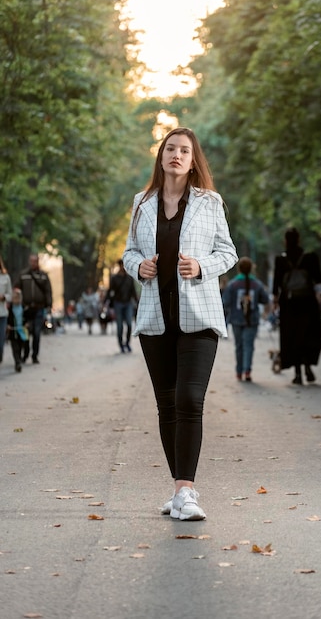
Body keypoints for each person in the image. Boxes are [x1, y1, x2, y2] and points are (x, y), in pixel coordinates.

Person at [123, 127, 238, 521]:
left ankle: (185, 492)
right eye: (170, 148)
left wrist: (202, 266)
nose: (176, 155)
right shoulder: (142, 202)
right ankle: (179, 490)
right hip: (156, 319)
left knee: (190, 399)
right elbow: (129, 251)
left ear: (193, 160)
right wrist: (138, 266)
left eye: (184, 150)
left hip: (200, 317)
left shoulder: (210, 202)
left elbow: (228, 252)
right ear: (161, 156)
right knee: (167, 404)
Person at [272, 227, 321, 385]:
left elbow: (276, 285)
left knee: (292, 336)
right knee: (308, 334)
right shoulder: (310, 258)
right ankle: (308, 367)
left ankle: (297, 373)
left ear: (285, 241)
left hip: (289, 303)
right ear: (299, 239)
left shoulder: (281, 259)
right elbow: (319, 278)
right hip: (308, 302)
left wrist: (275, 301)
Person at [222, 256, 270, 381]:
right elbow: (265, 299)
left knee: (239, 346)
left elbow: (225, 302)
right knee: (248, 345)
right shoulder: (257, 284)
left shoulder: (232, 284)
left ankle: (239, 372)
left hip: (236, 319)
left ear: (239, 269)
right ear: (251, 269)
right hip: (252, 320)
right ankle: (247, 371)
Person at [14, 253, 52, 364]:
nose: (33, 263)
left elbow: (48, 291)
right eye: (31, 261)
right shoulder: (23, 275)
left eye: (35, 261)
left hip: (39, 308)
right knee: (25, 332)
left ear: (38, 262)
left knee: (36, 332)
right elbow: (16, 288)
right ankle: (25, 354)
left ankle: (35, 355)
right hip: (26, 308)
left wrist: (49, 305)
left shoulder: (43, 276)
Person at [106, 259, 138, 352]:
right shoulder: (114, 278)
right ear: (119, 266)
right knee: (119, 326)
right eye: (121, 265)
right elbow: (110, 291)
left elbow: (133, 291)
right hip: (118, 303)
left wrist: (137, 301)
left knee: (129, 324)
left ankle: (127, 343)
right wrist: (107, 302)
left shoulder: (129, 278)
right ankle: (121, 345)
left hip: (128, 303)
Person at [7, 288, 29, 372]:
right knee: (15, 348)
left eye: (18, 297)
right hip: (13, 332)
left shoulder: (24, 308)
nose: (16, 299)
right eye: (15, 297)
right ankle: (17, 363)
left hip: (22, 331)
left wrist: (27, 324)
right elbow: (7, 319)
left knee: (21, 347)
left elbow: (28, 317)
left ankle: (22, 358)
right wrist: (8, 325)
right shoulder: (9, 309)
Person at [0, 256, 13, 365]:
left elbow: (10, 294)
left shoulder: (5, 277)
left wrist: (4, 297)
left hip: (2, 313)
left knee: (1, 340)